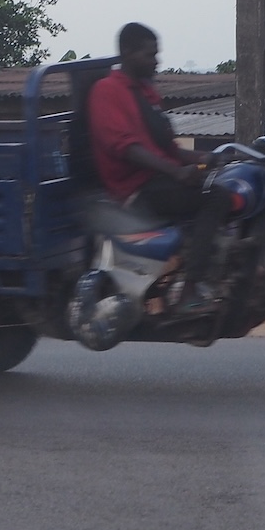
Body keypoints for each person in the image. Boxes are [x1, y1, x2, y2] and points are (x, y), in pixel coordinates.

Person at [87, 22, 236, 313]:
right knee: (216, 198)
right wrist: (177, 173)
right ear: (127, 53)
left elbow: (168, 149)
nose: (156, 61)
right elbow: (127, 147)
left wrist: (209, 159)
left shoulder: (145, 93)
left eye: (157, 55)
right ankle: (191, 289)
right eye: (149, 55)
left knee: (228, 186)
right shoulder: (107, 91)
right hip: (133, 190)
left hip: (157, 180)